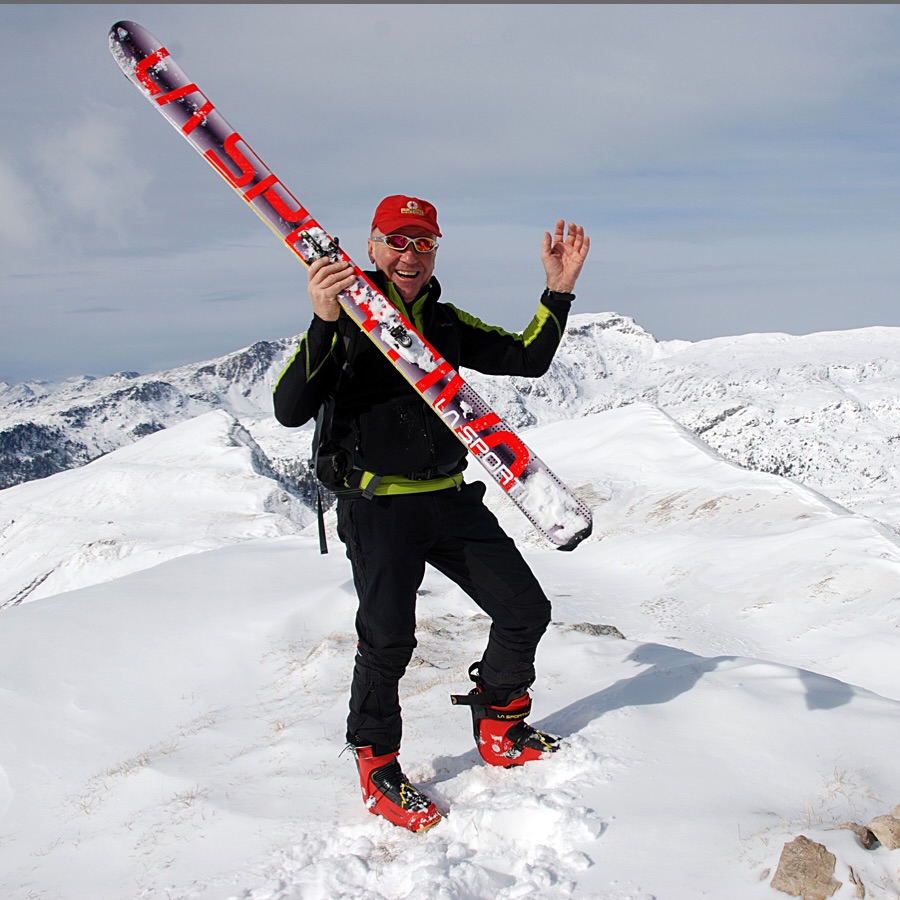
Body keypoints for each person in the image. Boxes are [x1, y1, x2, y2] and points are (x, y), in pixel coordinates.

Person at [273, 195, 590, 832]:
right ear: (371, 245)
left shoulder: (442, 324)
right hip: (378, 506)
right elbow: (289, 407)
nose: (409, 255)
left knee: (525, 608)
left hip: (449, 498)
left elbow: (525, 357)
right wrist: (323, 320)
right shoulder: (344, 316)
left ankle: (499, 721)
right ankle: (377, 762)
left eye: (423, 243)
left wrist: (556, 292)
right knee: (388, 640)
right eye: (397, 241)